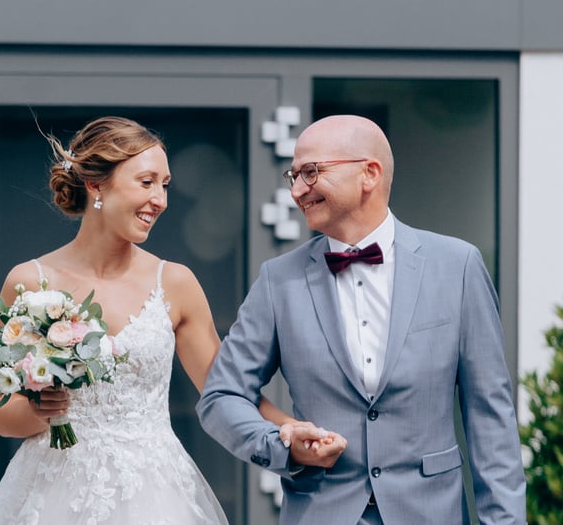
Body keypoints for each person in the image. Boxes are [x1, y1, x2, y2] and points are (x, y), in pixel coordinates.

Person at [0, 116, 321, 525]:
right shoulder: (30, 282)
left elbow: (226, 391)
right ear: (96, 184)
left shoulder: (175, 283)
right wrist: (39, 410)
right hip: (52, 495)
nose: (160, 200)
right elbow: (0, 416)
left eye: (165, 185)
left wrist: (290, 429)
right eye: (146, 182)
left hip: (154, 495)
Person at [197, 114, 527, 524]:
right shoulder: (277, 280)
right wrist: (282, 445)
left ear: (369, 173)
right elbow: (221, 396)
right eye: (293, 176)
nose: (297, 190)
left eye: (311, 172)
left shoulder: (457, 266)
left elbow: (490, 418)